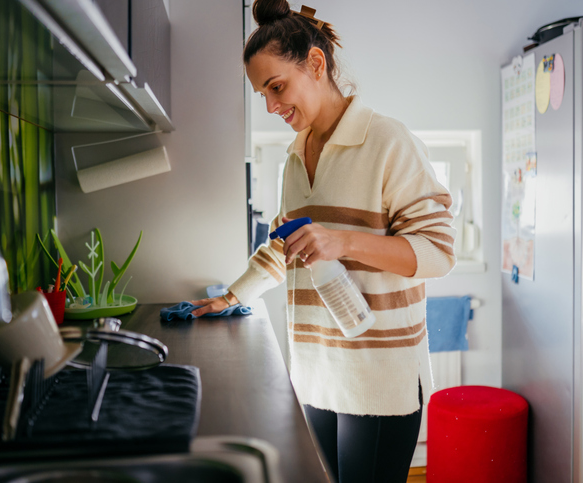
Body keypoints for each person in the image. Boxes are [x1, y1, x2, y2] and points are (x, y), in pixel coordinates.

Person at [190, 1, 456, 481]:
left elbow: (438, 253)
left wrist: (342, 241)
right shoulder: (295, 157)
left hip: (377, 380)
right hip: (316, 372)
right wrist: (233, 295)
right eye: (262, 95)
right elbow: (286, 243)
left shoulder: (388, 142)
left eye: (276, 88)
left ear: (315, 64)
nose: (271, 106)